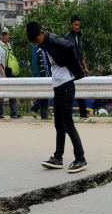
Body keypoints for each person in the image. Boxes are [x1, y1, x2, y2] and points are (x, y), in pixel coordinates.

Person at [27, 21, 87, 173]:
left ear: (42, 33)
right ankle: (58, 158)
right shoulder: (45, 43)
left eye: (37, 40)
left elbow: (70, 47)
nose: (37, 44)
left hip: (66, 85)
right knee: (59, 125)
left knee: (68, 125)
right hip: (58, 86)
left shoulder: (52, 40)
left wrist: (67, 63)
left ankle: (81, 158)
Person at [64, 15, 91, 122]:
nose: (77, 27)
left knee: (79, 91)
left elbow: (80, 54)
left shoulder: (78, 36)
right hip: (71, 69)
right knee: (71, 92)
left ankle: (83, 115)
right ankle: (80, 115)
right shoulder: (67, 38)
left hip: (78, 68)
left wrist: (85, 67)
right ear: (71, 25)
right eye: (75, 25)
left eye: (78, 25)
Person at [0, 27, 22, 120]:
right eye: (3, 34)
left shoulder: (9, 45)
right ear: (0, 36)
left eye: (6, 34)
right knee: (1, 95)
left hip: (10, 74)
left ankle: (13, 112)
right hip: (2, 74)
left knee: (12, 93)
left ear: (8, 35)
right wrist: (2, 75)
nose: (5, 36)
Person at [30, 42, 51, 120]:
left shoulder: (45, 47)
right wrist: (36, 76)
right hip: (40, 74)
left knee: (47, 94)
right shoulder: (35, 48)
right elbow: (35, 63)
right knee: (43, 94)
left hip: (47, 73)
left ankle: (44, 113)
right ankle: (34, 108)